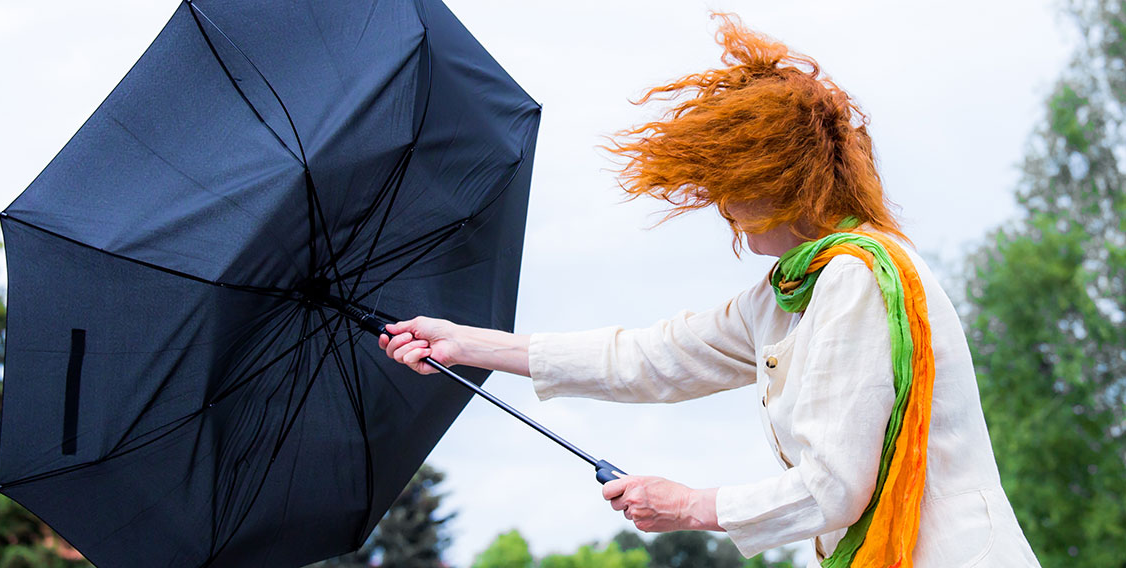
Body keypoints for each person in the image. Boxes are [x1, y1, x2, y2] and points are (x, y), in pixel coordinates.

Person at [377, 15, 1040, 568]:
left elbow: (834, 490)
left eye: (728, 180)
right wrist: (466, 343)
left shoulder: (857, 279)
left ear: (779, 179)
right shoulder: (789, 293)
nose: (719, 202)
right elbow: (645, 357)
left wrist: (690, 506)